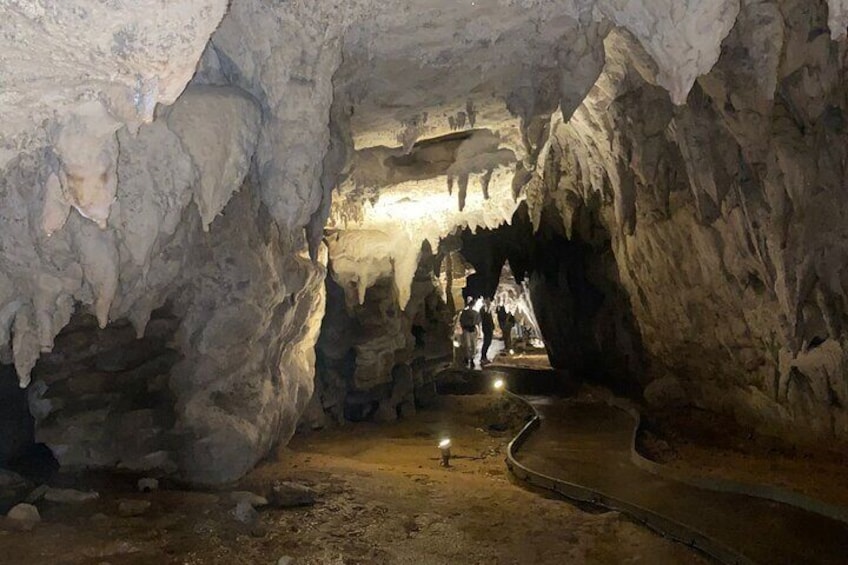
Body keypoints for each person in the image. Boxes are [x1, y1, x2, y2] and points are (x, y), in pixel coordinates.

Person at [458, 296, 481, 369]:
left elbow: (477, 321)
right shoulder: (464, 313)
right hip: (467, 329)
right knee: (468, 345)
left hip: (472, 329)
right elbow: (462, 321)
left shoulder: (475, 313)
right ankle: (467, 357)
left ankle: (471, 358)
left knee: (472, 345)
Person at [480, 299, 495, 365]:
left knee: (488, 342)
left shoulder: (487, 309)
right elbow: (485, 319)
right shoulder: (483, 309)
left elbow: (490, 318)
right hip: (486, 328)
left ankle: (484, 356)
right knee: (486, 342)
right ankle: (483, 357)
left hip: (489, 327)